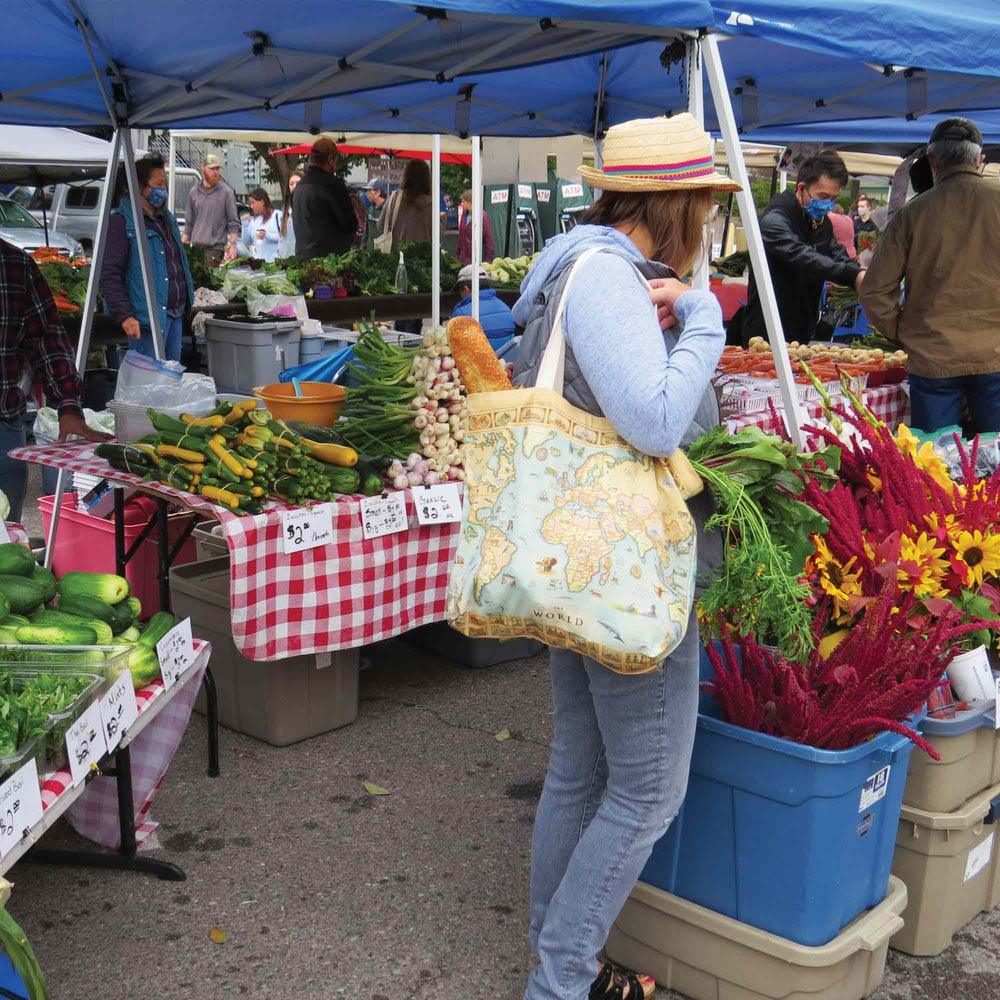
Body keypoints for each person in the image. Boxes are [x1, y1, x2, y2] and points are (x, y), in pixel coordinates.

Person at [510, 113, 739, 1000]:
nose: (705, 229)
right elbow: (651, 421)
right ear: (674, 201)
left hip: (583, 547)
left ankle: (553, 961)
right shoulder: (608, 277)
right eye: (703, 209)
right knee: (647, 790)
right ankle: (559, 980)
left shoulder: (581, 269)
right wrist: (702, 323)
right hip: (625, 564)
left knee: (584, 768)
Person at [860, 117, 1000, 435]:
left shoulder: (912, 213)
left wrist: (902, 332)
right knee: (997, 469)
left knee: (937, 467)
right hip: (996, 356)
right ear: (980, 161)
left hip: (934, 359)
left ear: (933, 161)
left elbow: (874, 290)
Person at [0, 238, 110, 520]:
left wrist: (68, 404)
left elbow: (48, 340)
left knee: (8, 548)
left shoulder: (14, 264)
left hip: (3, 428)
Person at [743, 149, 864, 344]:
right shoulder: (774, 220)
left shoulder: (822, 223)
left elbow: (836, 254)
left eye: (833, 198)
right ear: (801, 188)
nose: (828, 205)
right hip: (765, 332)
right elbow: (802, 255)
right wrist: (851, 275)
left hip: (802, 329)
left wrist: (860, 273)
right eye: (823, 196)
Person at [102, 154, 194, 363]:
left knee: (171, 380)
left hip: (173, 313)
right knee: (149, 384)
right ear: (140, 187)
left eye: (164, 183)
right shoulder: (122, 221)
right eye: (158, 184)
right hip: (145, 319)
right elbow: (110, 272)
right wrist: (124, 314)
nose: (163, 189)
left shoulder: (166, 218)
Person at [293, 138, 356, 259]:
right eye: (335, 160)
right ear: (330, 159)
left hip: (302, 257)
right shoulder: (333, 185)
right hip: (329, 261)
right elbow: (349, 224)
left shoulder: (299, 187)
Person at [181, 154, 239, 266]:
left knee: (206, 281)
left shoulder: (226, 192)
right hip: (195, 248)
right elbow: (189, 223)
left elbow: (233, 222)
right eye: (212, 168)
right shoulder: (194, 191)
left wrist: (233, 245)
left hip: (215, 249)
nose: (215, 172)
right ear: (202, 167)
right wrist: (183, 244)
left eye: (217, 168)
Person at [377, 159, 433, 255]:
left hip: (396, 260)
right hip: (424, 262)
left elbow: (380, 226)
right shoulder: (432, 205)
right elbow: (438, 236)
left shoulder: (394, 199)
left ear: (406, 176)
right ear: (427, 179)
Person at [450, 265, 516, 343]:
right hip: (507, 354)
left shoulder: (461, 314)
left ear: (465, 289)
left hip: (478, 355)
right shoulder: (506, 309)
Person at [239, 188, 283, 262]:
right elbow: (247, 242)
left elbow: (285, 239)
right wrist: (245, 225)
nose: (251, 206)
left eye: (253, 203)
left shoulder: (278, 215)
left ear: (262, 202)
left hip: (276, 264)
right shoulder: (255, 220)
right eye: (250, 203)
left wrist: (268, 235)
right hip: (260, 264)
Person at [456, 188, 495, 265]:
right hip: (463, 259)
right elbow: (461, 237)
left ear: (470, 202)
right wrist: (458, 255)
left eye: (463, 201)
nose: (461, 204)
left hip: (476, 260)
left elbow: (488, 240)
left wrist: (490, 261)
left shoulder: (482, 216)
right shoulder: (464, 215)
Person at [277, 169, 302, 258]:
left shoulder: (305, 206)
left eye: (298, 183)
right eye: (291, 184)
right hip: (284, 257)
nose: (294, 186)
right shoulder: (285, 208)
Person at [364, 179, 388, 248]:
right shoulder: (371, 209)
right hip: (369, 251)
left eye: (369, 191)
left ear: (377, 192)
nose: (366, 193)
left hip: (384, 253)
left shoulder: (389, 210)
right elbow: (366, 232)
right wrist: (362, 247)